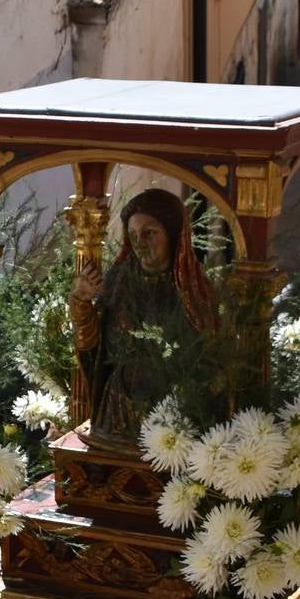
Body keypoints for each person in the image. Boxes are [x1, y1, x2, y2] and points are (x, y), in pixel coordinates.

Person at [71, 189, 220, 447]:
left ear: (173, 235)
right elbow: (92, 349)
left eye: (150, 233)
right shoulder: (118, 282)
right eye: (133, 235)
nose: (140, 243)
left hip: (173, 421)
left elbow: (210, 362)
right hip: (117, 414)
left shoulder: (195, 292)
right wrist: (82, 302)